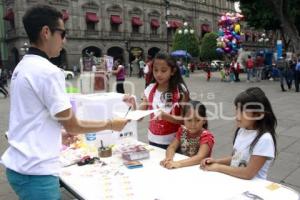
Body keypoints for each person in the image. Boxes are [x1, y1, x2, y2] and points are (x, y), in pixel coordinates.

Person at [0, 5, 128, 200]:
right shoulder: (47, 71)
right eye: (62, 33)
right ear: (46, 32)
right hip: (37, 173)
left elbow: (31, 118)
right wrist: (111, 124)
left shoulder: (23, 66)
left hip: (20, 167)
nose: (64, 39)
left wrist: (57, 134)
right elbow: (73, 125)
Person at [201, 87, 277, 180]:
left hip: (253, 189)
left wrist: (218, 167)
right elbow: (237, 158)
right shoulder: (242, 130)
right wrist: (217, 161)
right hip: (237, 182)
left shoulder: (264, 139)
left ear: (258, 114)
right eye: (237, 109)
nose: (237, 115)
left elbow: (248, 173)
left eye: (243, 111)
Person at [125, 52, 190, 149]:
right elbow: (139, 118)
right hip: (153, 140)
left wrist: (167, 117)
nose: (158, 74)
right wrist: (133, 104)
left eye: (163, 71)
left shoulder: (180, 90)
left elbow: (186, 120)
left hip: (175, 142)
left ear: (172, 71)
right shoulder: (149, 89)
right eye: (155, 70)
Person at [160, 100, 214, 169]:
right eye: (189, 120)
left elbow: (200, 157)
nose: (193, 124)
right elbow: (172, 147)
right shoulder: (182, 131)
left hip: (199, 170)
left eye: (197, 120)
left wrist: (178, 163)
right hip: (182, 168)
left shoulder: (207, 136)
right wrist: (169, 158)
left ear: (204, 120)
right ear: (183, 119)